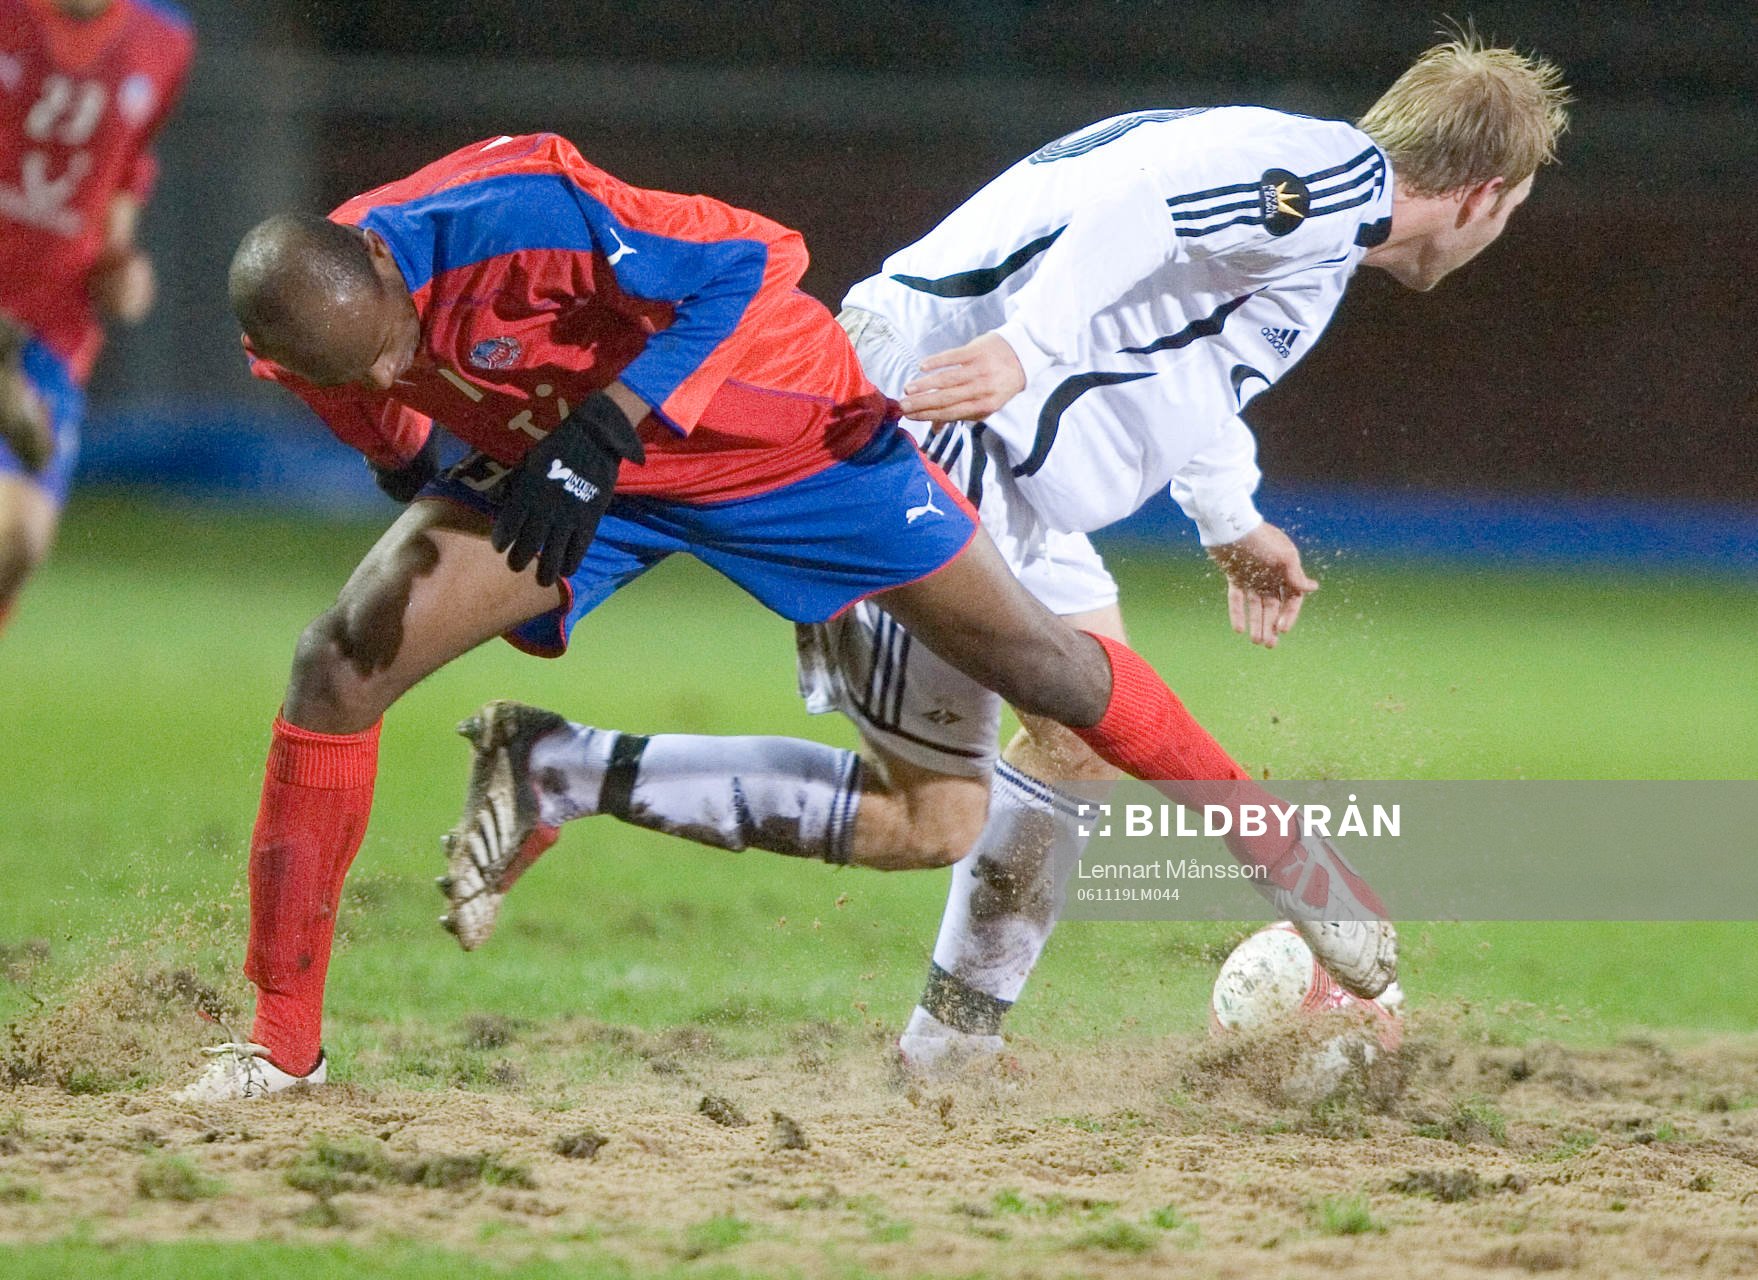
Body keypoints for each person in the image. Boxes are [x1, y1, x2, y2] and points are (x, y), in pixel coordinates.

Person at [176, 132, 1383, 1101]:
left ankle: (1297, 867)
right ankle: (282, 1050)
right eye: (348, 371)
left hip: (786, 439)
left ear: (382, 262)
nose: (381, 372)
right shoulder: (311, 336)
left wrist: (606, 424)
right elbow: (393, 427)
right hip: (574, 475)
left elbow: (754, 257)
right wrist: (438, 466)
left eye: (391, 343)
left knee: (1054, 674)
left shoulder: (518, 204)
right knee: (338, 661)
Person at [450, 34, 1565, 1073]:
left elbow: (1177, 353)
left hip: (1011, 466)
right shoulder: (1333, 184)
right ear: (1483, 195)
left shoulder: (1316, 214)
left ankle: (950, 1053)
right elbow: (1140, 211)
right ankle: (559, 769)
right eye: (1512, 214)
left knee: (1072, 749)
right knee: (930, 817)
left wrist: (1228, 513)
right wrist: (1025, 347)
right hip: (937, 421)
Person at [0, 0, 193, 632]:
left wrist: (118, 261)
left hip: (49, 326)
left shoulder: (163, 39)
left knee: (19, 540)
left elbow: (128, 165)